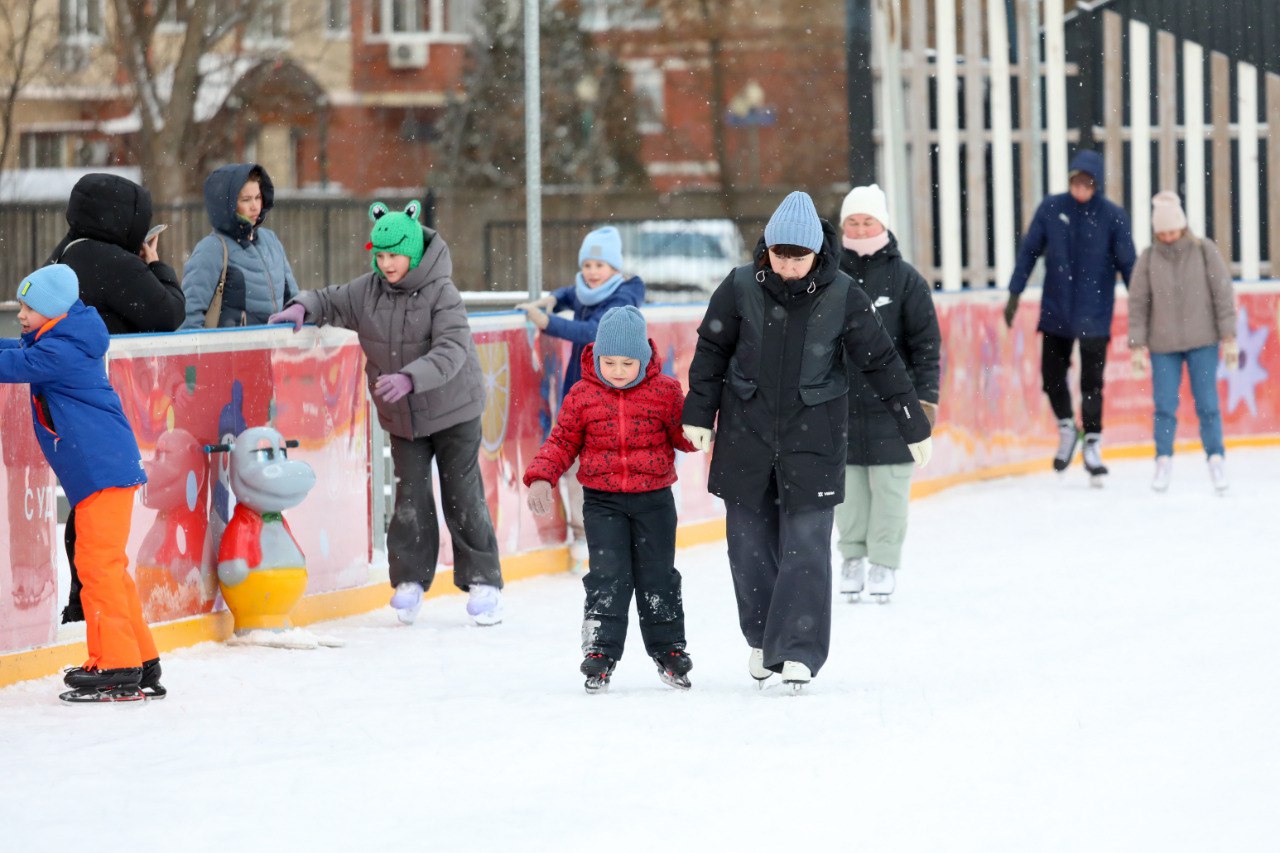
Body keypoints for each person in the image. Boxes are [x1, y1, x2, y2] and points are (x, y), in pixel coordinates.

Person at [681, 191, 932, 691]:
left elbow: (881, 360)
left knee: (806, 547)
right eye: (780, 255)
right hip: (745, 437)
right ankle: (761, 640)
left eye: (799, 257)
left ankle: (797, 649)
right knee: (747, 547)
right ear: (767, 248)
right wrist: (698, 411)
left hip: (813, 440)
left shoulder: (842, 294)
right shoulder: (738, 288)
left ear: (817, 251)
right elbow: (711, 350)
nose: (789, 266)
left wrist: (912, 422)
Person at [268, 201, 504, 626]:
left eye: (393, 255)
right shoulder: (367, 291)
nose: (386, 263)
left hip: (454, 410)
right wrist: (304, 307)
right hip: (404, 417)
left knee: (461, 493)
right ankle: (410, 582)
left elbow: (451, 350)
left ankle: (483, 581)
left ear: (411, 252)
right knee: (410, 496)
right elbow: (330, 299)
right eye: (379, 255)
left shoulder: (442, 293)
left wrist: (411, 377)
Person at [0, 265, 164, 702]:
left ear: (52, 311)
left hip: (102, 473)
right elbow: (16, 350)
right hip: (106, 469)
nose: (21, 314)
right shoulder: (65, 338)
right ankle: (141, 659)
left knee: (97, 569)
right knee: (110, 568)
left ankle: (116, 665)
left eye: (29, 307)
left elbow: (15, 363)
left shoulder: (60, 352)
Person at [524, 306, 698, 693]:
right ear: (596, 357)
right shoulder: (583, 394)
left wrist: (701, 427)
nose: (617, 370)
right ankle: (600, 650)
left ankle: (669, 650)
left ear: (644, 358)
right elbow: (562, 441)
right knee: (608, 576)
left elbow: (681, 436)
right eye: (609, 362)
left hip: (654, 499)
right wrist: (541, 477)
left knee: (658, 576)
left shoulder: (665, 391)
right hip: (603, 503)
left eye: (627, 362)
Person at [46, 172, 186, 624]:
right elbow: (168, 313)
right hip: (98, 402)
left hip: (61, 399)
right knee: (100, 508)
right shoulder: (109, 260)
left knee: (86, 501)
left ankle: (83, 600)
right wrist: (154, 264)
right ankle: (91, 606)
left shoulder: (64, 255)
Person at [515, 226, 644, 572]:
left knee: (603, 467)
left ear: (615, 269)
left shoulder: (622, 299)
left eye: (599, 265)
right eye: (586, 264)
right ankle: (583, 536)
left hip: (609, 395)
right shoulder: (589, 292)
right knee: (574, 465)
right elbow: (575, 294)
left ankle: (610, 536)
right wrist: (555, 298)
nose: (591, 272)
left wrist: (548, 322)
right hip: (580, 392)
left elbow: (594, 333)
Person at [833, 185, 940, 603]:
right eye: (852, 222)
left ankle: (883, 562)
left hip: (894, 407)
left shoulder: (906, 280)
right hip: (839, 406)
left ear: (883, 224)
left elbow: (926, 345)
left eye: (868, 221)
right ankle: (852, 557)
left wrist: (925, 400)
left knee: (891, 492)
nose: (860, 229)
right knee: (848, 494)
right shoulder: (830, 278)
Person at [1004, 150, 1136, 483]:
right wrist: (1015, 292)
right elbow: (1029, 251)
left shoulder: (1112, 216)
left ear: (1097, 185)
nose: (1081, 189)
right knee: (1051, 376)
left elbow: (1129, 263)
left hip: (1095, 312)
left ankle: (1092, 443)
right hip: (1057, 310)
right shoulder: (1052, 208)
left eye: (1087, 184)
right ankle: (1067, 427)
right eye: (1076, 182)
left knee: (1093, 383)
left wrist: (1143, 303)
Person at [1127, 191, 1238, 494]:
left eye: (1172, 231)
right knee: (1164, 406)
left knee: (1207, 404)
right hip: (1163, 347)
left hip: (1203, 341)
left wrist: (1228, 334)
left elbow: (1222, 293)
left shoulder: (1204, 251)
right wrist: (1137, 344)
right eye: (1162, 232)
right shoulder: (1148, 259)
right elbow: (1138, 304)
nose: (1168, 237)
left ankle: (1215, 457)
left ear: (1183, 226)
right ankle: (1163, 459)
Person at [181, 163, 298, 329]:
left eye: (258, 197)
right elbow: (189, 316)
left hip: (275, 349)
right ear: (226, 205)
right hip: (234, 350)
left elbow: (293, 300)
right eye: (246, 199)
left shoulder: (270, 241)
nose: (255, 206)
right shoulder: (212, 249)